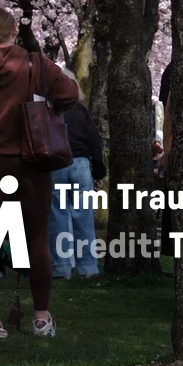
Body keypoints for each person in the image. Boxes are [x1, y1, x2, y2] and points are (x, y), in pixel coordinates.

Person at [0, 1, 79, 339]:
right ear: (15, 30)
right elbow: (70, 94)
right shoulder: (34, 64)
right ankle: (41, 317)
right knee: (38, 240)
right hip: (32, 162)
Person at [50, 94, 106, 280]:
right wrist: (98, 170)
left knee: (58, 217)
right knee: (84, 217)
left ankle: (61, 268)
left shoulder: (49, 110)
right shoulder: (81, 110)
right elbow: (94, 139)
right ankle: (88, 267)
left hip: (57, 163)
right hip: (80, 163)